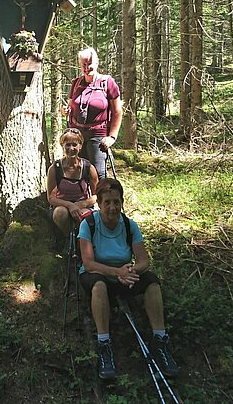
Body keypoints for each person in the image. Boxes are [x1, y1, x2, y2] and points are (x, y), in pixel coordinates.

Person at [78, 178, 180, 379]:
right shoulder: (88, 224)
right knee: (98, 285)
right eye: (107, 202)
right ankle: (104, 343)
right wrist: (118, 273)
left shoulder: (129, 225)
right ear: (99, 203)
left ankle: (160, 341)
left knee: (151, 281)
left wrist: (131, 271)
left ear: (122, 202)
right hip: (98, 276)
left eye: (116, 202)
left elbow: (144, 261)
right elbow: (89, 264)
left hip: (125, 277)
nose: (112, 207)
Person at [63, 47, 122, 179]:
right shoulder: (76, 83)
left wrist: (112, 137)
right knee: (77, 172)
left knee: (98, 174)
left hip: (98, 136)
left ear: (96, 63)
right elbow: (71, 105)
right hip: (77, 136)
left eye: (89, 63)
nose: (87, 67)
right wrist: (66, 110)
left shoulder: (107, 82)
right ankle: (81, 199)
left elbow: (117, 111)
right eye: (83, 64)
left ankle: (100, 199)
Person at [47, 128, 98, 238]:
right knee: (60, 213)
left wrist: (81, 204)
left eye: (74, 145)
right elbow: (51, 198)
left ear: (80, 146)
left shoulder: (88, 168)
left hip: (82, 205)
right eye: (67, 145)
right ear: (62, 146)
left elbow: (97, 195)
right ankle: (68, 239)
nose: (71, 148)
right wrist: (70, 205)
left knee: (90, 218)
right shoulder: (55, 169)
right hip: (61, 206)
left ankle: (83, 242)